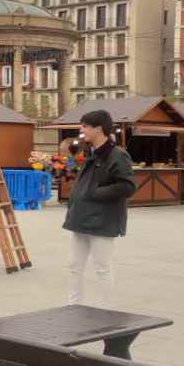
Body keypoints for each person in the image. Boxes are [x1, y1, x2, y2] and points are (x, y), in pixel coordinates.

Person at [62, 110, 135, 308]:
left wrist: (94, 192)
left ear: (98, 129)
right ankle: (73, 305)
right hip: (81, 218)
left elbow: (127, 186)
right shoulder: (92, 153)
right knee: (74, 266)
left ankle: (104, 309)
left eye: (85, 126)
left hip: (102, 220)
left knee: (102, 267)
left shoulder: (117, 155)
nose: (81, 130)